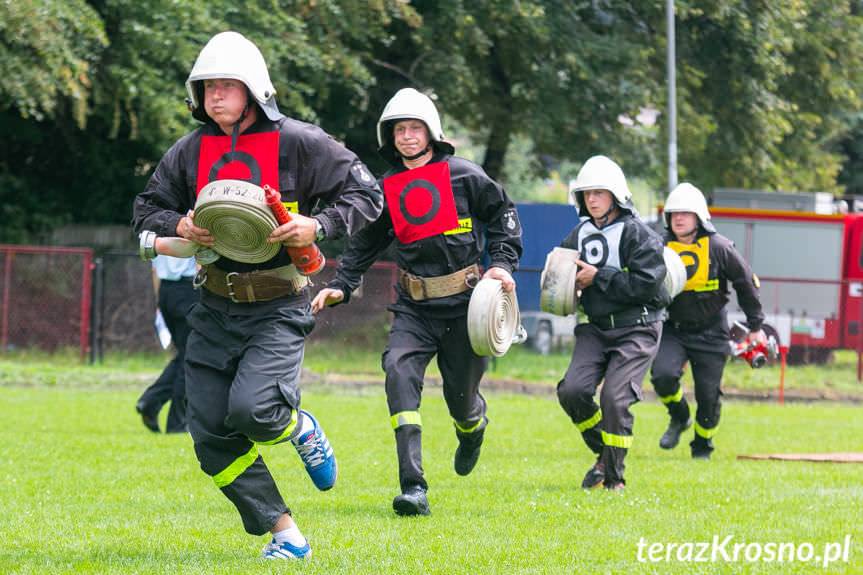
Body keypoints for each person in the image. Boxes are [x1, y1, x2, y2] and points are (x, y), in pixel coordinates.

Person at [131, 31, 383, 560]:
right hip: (213, 307)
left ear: (254, 89)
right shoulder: (190, 151)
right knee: (209, 435)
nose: (215, 96)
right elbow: (145, 209)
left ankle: (301, 427)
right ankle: (286, 535)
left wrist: (319, 223)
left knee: (254, 411)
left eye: (227, 85)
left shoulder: (300, 141)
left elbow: (368, 193)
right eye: (207, 87)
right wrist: (177, 222)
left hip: (279, 305)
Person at [311, 88, 522, 516]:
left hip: (467, 308)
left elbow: (503, 216)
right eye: (399, 130)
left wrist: (502, 264)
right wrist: (342, 284)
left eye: (414, 128)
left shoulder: (465, 174)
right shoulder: (386, 188)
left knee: (461, 402)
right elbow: (366, 242)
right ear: (389, 137)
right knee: (397, 372)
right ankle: (413, 486)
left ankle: (472, 426)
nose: (407, 136)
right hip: (412, 308)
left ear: (431, 132)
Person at [555, 155, 668, 491]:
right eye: (586, 193)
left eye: (599, 193)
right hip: (595, 328)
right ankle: (603, 453)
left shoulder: (639, 235)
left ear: (616, 195)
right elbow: (561, 271)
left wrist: (599, 277)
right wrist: (562, 282)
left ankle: (614, 480)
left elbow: (648, 284)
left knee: (615, 399)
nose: (592, 199)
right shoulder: (579, 233)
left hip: (638, 327)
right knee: (573, 391)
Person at [650, 182, 765, 459]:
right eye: (674, 213)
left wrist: (756, 326)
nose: (678, 218)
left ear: (699, 217)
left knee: (708, 396)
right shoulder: (657, 246)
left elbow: (746, 283)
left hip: (712, 331)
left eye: (685, 213)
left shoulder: (720, 248)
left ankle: (702, 445)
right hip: (673, 329)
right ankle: (679, 416)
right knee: (662, 377)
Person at [135, 254, 198, 433]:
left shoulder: (160, 227)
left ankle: (151, 400)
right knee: (192, 359)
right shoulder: (193, 227)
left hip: (166, 292)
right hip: (190, 291)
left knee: (186, 355)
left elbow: (154, 270)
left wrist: (159, 303)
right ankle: (177, 422)